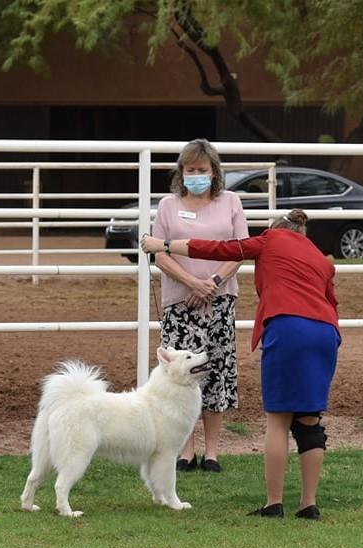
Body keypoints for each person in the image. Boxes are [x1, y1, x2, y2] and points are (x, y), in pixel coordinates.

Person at [141, 209, 340, 520]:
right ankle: (308, 505)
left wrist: (163, 245)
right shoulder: (321, 260)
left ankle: (274, 503)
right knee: (310, 421)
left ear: (276, 228)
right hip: (325, 334)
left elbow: (217, 249)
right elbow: (331, 301)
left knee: (278, 420)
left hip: (287, 328)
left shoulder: (270, 239)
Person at [151, 138, 249, 473]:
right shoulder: (167, 206)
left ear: (214, 171)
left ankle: (212, 452)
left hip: (219, 300)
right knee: (179, 373)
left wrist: (212, 283)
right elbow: (159, 252)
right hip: (180, 301)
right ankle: (185, 450)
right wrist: (192, 283)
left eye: (202, 170)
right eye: (190, 170)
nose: (196, 175)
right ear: (181, 172)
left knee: (216, 370)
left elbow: (240, 249)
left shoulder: (231, 202)